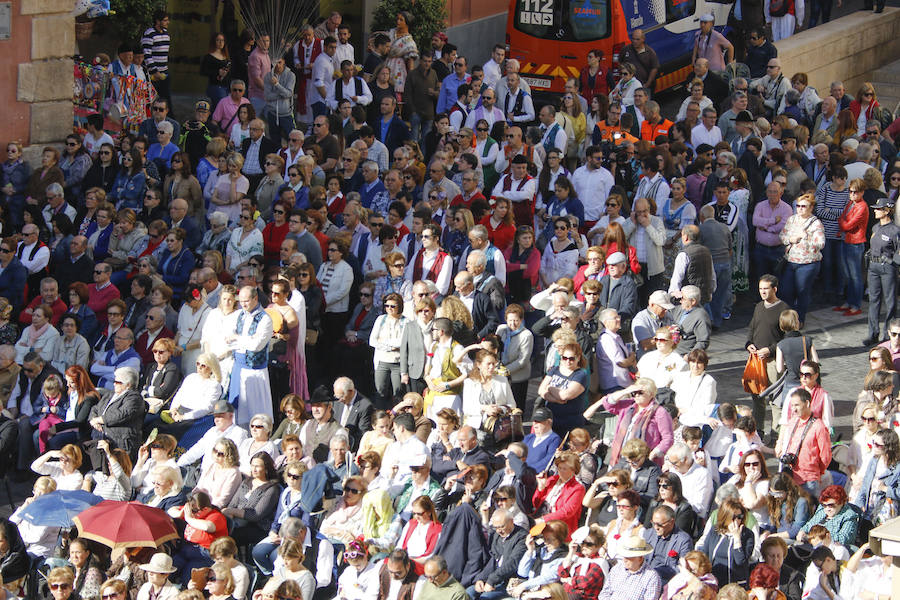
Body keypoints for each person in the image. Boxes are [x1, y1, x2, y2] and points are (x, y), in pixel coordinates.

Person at [775, 388, 832, 495]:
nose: (793, 409)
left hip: (809, 480)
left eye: (797, 405)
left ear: (807, 403)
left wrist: (815, 471)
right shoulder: (793, 422)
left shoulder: (818, 426)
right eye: (792, 406)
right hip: (790, 477)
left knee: (805, 510)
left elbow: (826, 456)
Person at [595, 535, 661, 600]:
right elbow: (604, 594)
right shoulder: (617, 569)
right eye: (624, 556)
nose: (625, 560)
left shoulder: (651, 577)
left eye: (629, 557)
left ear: (640, 558)